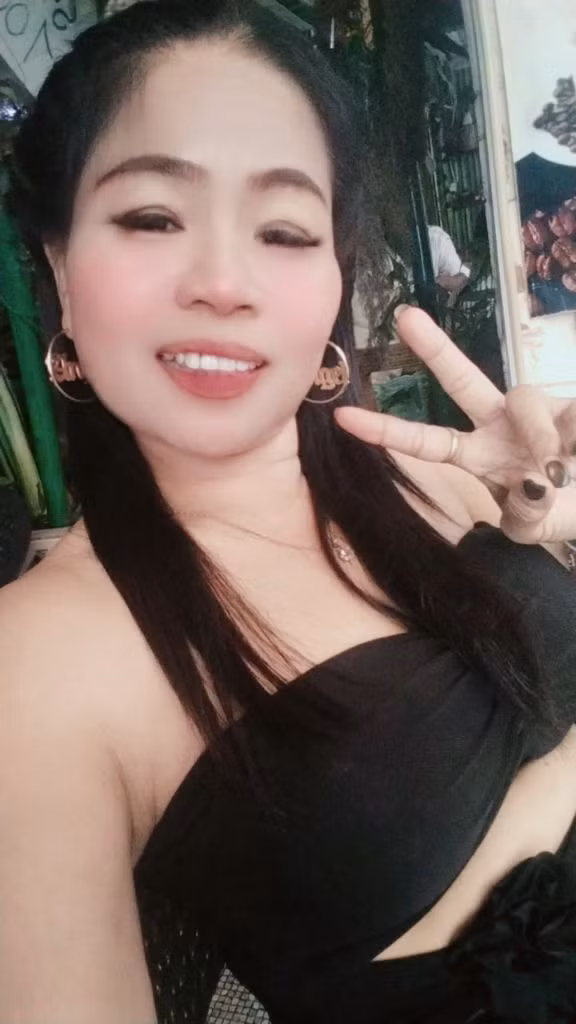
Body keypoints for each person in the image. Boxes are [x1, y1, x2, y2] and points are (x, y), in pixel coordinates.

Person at [2, 3, 576, 1022]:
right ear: (58, 264)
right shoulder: (35, 667)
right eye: (152, 218)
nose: (224, 283)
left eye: (285, 231)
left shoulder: (436, 479)